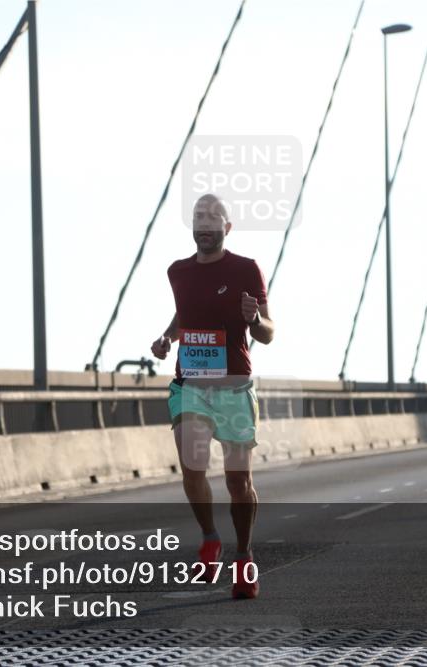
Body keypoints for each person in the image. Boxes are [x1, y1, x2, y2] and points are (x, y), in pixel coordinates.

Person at [150, 193, 274, 599]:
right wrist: (167, 337)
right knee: (193, 464)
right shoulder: (178, 271)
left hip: (234, 387)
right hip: (191, 385)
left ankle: (244, 557)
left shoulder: (246, 269)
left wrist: (253, 319)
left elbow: (268, 333)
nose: (204, 223)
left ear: (227, 227)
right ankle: (209, 538)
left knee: (239, 482)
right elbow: (185, 313)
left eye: (213, 217)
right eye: (198, 216)